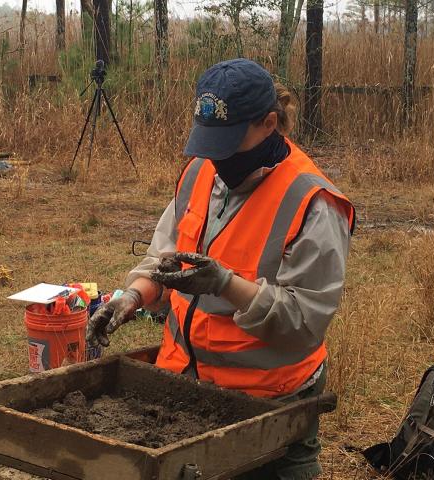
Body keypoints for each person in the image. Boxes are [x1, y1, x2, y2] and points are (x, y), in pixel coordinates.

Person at [87, 58, 355, 480]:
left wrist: (226, 285)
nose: (217, 159)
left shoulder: (313, 203)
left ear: (269, 123)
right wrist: (131, 298)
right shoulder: (201, 171)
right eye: (210, 144)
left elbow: (304, 323)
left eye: (229, 144)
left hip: (269, 404)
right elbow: (163, 258)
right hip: (184, 388)